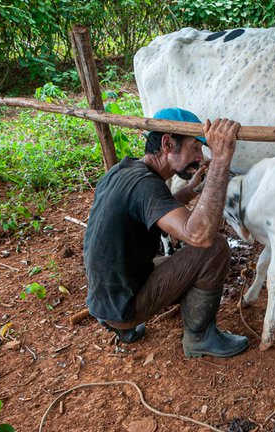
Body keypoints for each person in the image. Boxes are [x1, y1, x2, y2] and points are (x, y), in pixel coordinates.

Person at [83, 108, 249, 358]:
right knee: (214, 247)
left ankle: (121, 327)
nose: (200, 156)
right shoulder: (146, 186)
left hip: (105, 299)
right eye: (195, 147)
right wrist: (222, 160)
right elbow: (199, 236)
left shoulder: (125, 170)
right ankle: (199, 337)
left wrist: (193, 188)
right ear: (168, 143)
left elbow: (162, 205)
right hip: (125, 306)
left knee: (192, 253)